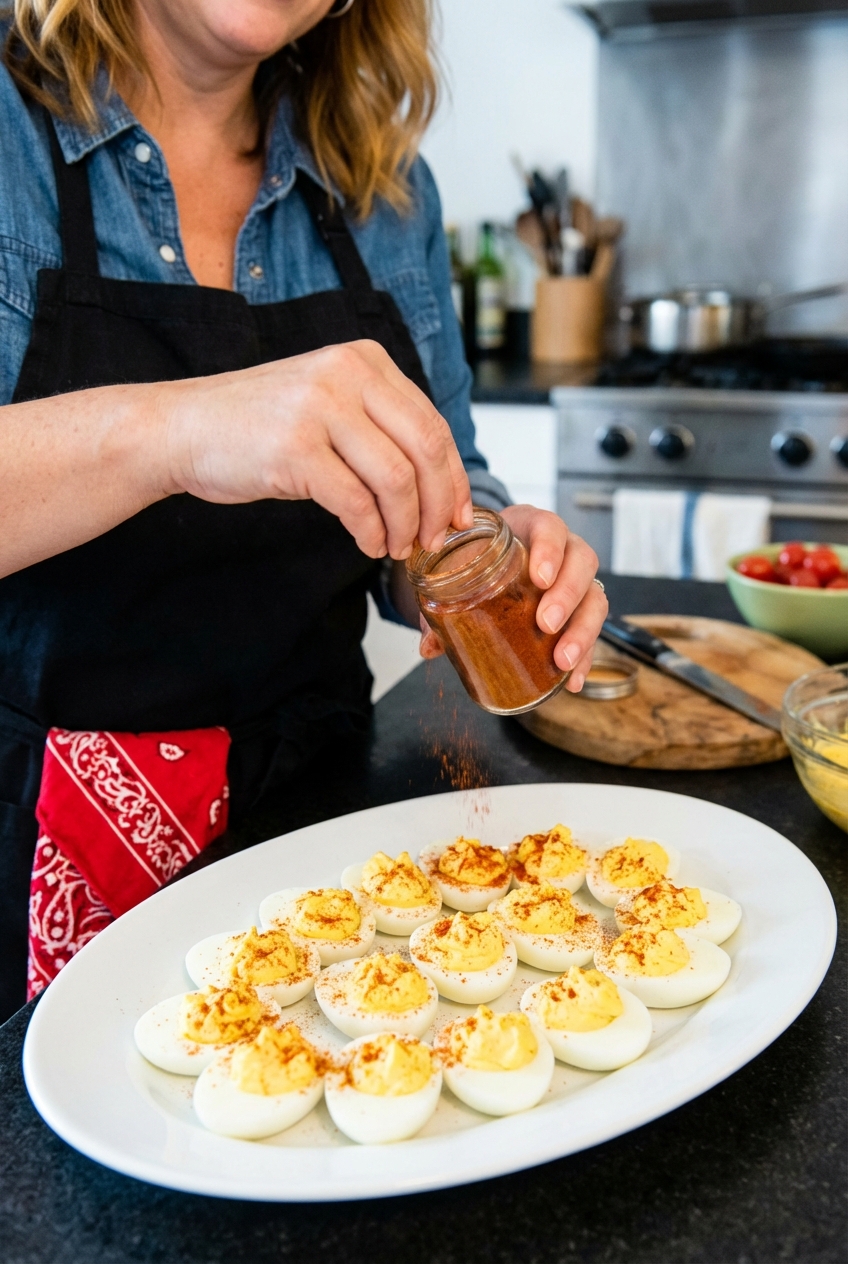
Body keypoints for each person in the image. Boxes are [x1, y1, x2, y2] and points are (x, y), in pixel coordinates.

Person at [0, 0, 608, 1020]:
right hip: (36, 828)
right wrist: (176, 428)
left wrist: (486, 556)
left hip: (319, 817)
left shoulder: (384, 190)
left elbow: (440, 491)